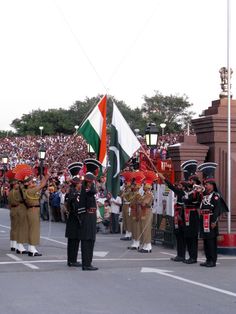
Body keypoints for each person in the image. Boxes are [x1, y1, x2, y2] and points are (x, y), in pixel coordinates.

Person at [198, 162, 228, 267]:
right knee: (206, 240)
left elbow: (217, 209)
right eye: (205, 184)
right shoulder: (205, 195)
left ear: (212, 185)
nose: (205, 186)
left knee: (211, 241)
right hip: (204, 219)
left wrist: (214, 221)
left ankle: (212, 261)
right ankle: (207, 259)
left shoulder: (215, 196)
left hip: (211, 220)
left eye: (207, 184)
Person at [158, 172, 187, 262]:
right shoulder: (180, 193)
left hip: (181, 217)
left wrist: (164, 178)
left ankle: (181, 255)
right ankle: (179, 255)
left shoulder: (182, 193)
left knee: (181, 236)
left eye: (180, 185)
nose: (178, 186)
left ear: (183, 187)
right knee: (178, 236)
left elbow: (171, 187)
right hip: (177, 216)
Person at [79, 158, 102, 271]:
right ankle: (87, 263)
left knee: (90, 240)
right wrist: (93, 181)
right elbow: (94, 191)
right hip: (88, 216)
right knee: (88, 240)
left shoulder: (87, 186)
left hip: (90, 216)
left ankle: (87, 262)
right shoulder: (87, 187)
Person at [20, 171, 50, 256]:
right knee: (34, 230)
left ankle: (30, 248)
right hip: (33, 210)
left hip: (32, 210)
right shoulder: (30, 191)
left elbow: (40, 185)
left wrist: (45, 178)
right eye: (31, 181)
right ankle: (32, 249)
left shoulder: (28, 190)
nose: (33, 182)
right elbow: (42, 185)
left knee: (32, 229)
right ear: (28, 183)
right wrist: (46, 177)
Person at [65, 162, 85, 267]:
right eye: (79, 184)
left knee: (72, 242)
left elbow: (67, 206)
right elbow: (76, 207)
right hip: (75, 218)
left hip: (71, 218)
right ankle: (72, 260)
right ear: (76, 184)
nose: (81, 185)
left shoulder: (70, 193)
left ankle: (71, 260)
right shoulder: (75, 194)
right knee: (74, 241)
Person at [181, 160, 201, 264]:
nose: (190, 182)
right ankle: (190, 256)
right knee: (188, 236)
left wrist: (186, 199)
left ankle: (193, 257)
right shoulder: (190, 191)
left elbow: (195, 201)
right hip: (187, 213)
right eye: (190, 180)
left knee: (193, 237)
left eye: (191, 180)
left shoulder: (197, 190)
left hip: (193, 214)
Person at [138, 170, 155, 253]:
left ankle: (148, 246)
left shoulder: (149, 194)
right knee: (143, 228)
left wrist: (140, 202)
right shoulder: (145, 194)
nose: (143, 186)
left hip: (147, 212)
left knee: (146, 229)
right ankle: (145, 245)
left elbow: (144, 203)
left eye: (144, 184)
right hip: (143, 211)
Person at [128, 171, 145, 250]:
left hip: (138, 210)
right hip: (133, 209)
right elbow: (128, 198)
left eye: (134, 184)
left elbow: (141, 202)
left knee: (137, 227)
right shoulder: (134, 192)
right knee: (133, 227)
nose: (132, 186)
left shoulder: (140, 192)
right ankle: (134, 241)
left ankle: (137, 243)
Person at [120, 171, 133, 241]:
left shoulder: (130, 190)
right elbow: (120, 194)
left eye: (126, 182)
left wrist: (124, 192)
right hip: (124, 204)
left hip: (128, 204)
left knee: (128, 220)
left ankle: (129, 234)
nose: (125, 183)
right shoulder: (124, 189)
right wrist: (123, 189)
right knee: (125, 219)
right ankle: (127, 233)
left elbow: (125, 196)